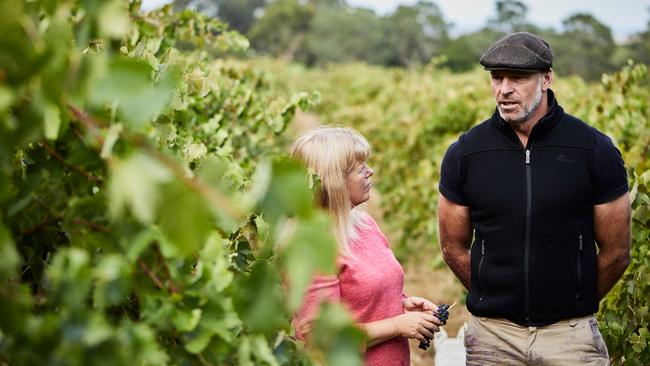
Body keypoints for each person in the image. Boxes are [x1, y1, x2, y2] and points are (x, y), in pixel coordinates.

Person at [438, 32, 631, 365]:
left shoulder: (592, 149)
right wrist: (495, 296)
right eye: (497, 78)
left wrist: (573, 302)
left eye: (518, 78)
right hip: (492, 337)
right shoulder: (467, 152)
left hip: (570, 337)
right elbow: (452, 246)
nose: (504, 89)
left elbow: (617, 252)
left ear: (547, 78)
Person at [291, 127, 442, 366]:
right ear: (334, 181)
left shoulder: (364, 225)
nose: (370, 172)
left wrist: (399, 303)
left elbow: (358, 295)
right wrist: (396, 325)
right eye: (360, 168)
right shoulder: (311, 248)